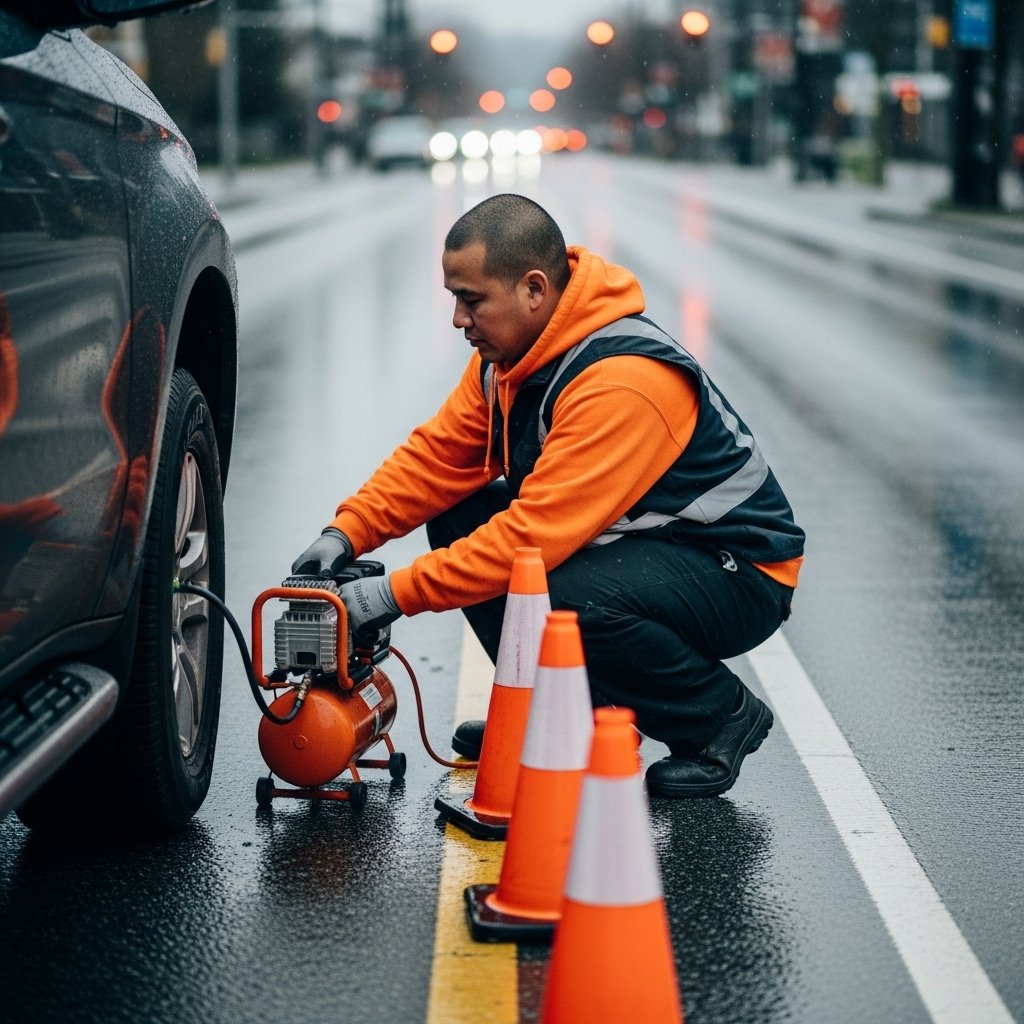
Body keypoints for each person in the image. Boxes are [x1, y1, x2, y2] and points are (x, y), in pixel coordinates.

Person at [292, 193, 805, 798]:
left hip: (739, 571)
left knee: (551, 588)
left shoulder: (623, 382)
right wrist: (345, 532)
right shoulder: (508, 360)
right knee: (461, 516)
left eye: (472, 300)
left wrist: (387, 595)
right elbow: (437, 459)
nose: (458, 319)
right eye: (455, 298)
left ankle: (716, 718)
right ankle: (566, 715)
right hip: (651, 546)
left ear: (534, 290)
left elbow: (530, 540)